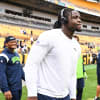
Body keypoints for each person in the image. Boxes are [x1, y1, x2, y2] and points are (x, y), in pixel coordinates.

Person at [25, 8, 82, 100]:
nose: (79, 20)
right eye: (75, 17)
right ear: (64, 20)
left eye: (79, 17)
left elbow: (72, 73)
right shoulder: (49, 36)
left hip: (65, 96)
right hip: (44, 94)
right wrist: (32, 94)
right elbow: (31, 64)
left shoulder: (76, 45)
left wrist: (73, 96)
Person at [0, 36, 25, 100]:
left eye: (15, 42)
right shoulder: (3, 56)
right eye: (11, 42)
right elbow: (1, 74)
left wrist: (27, 78)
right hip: (11, 88)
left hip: (18, 86)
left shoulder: (16, 54)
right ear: (6, 44)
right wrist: (5, 89)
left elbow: (20, 69)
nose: (14, 43)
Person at [73, 35, 87, 100]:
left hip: (80, 76)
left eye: (76, 41)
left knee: (80, 90)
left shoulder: (79, 51)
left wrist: (84, 72)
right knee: (71, 93)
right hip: (72, 76)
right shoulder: (68, 51)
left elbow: (81, 63)